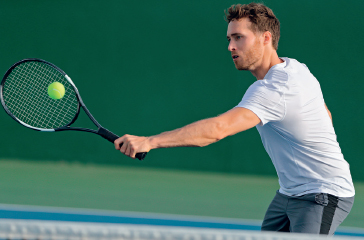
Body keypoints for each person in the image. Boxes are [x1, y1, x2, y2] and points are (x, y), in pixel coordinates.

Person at [114, 3, 355, 235]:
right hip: (289, 193)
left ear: (266, 38)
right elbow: (326, 114)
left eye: (239, 37)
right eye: (229, 39)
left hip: (322, 194)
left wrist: (150, 141)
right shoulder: (297, 68)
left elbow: (218, 129)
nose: (231, 46)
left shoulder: (274, 89)